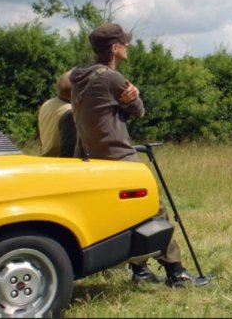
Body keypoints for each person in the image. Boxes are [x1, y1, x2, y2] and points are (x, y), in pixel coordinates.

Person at [70, 23, 199, 287]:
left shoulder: (79, 79)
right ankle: (177, 273)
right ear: (114, 48)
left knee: (126, 216)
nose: (128, 46)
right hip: (120, 160)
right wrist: (135, 95)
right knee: (154, 212)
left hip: (92, 160)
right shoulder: (112, 79)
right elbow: (139, 111)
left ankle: (139, 270)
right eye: (125, 43)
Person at [38, 70, 76, 157]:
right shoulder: (70, 114)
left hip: (46, 162)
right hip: (59, 166)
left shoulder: (47, 104)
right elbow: (69, 152)